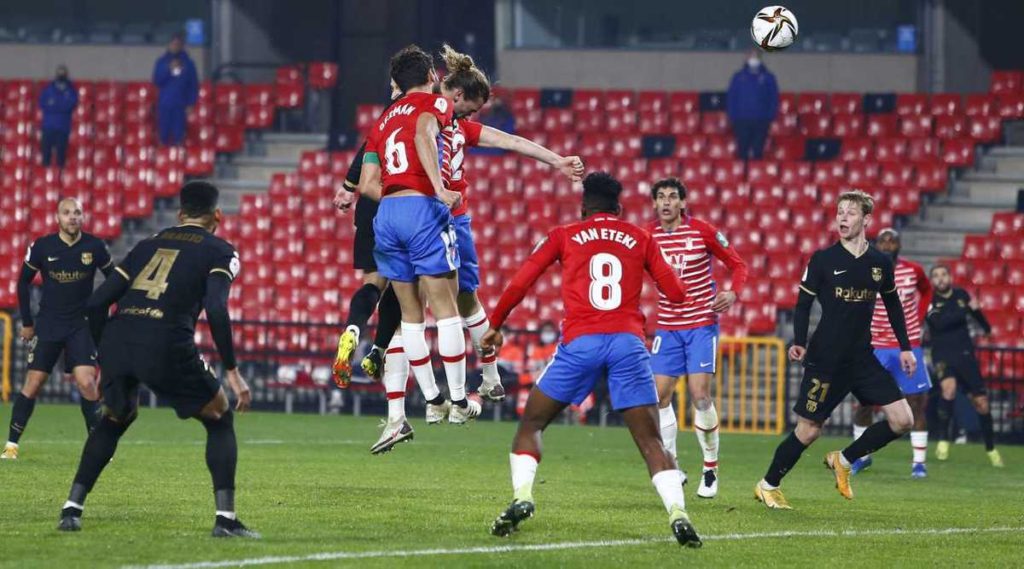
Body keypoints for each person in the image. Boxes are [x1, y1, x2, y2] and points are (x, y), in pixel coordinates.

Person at [334, 46, 583, 453]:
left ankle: (418, 404)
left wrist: (357, 191)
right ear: (441, 84)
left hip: (386, 211)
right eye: (467, 108)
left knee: (405, 314)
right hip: (435, 213)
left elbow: (366, 175)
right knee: (453, 303)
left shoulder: (387, 115)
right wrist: (433, 190)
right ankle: (459, 395)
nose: (467, 116)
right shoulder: (435, 108)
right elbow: (501, 140)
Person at [481, 172, 702, 547]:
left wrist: (496, 324)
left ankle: (522, 497)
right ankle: (678, 514)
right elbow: (677, 294)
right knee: (651, 442)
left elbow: (521, 282)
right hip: (628, 345)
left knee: (531, 424)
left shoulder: (564, 234)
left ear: (584, 207)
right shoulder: (641, 236)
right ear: (619, 208)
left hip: (580, 344)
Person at [56, 181, 257, 538]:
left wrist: (105, 354)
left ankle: (72, 508)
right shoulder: (220, 251)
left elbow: (96, 303)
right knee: (219, 417)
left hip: (119, 338)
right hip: (166, 342)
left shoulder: (146, 245)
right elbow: (215, 307)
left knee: (115, 418)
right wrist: (233, 371)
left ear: (180, 214)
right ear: (218, 216)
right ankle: (226, 520)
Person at [754, 190, 916, 510]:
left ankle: (844, 459)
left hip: (862, 358)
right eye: (839, 212)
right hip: (826, 359)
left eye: (850, 212)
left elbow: (894, 306)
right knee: (809, 430)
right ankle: (768, 485)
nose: (842, 217)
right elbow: (803, 304)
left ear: (866, 220)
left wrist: (906, 348)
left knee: (903, 419)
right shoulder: (823, 259)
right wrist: (799, 340)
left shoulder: (879, 263)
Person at [648, 177, 747, 499]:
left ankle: (710, 467)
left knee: (699, 395)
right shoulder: (647, 236)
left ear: (682, 203)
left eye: (672, 197)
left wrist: (733, 292)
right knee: (658, 397)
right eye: (660, 197)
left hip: (701, 325)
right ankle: (673, 465)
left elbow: (737, 264)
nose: (666, 202)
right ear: (654, 204)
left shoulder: (702, 231)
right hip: (667, 326)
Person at [2, 199, 112, 461]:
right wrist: (27, 323)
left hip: (80, 325)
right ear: (57, 217)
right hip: (49, 323)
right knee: (34, 383)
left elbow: (114, 281)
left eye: (77, 213)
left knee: (87, 383)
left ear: (82, 217)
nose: (73, 217)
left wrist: (103, 310)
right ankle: (11, 445)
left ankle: (98, 449)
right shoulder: (42, 246)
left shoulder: (95, 246)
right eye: (67, 213)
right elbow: (22, 283)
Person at [849, 228, 933, 478]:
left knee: (916, 403)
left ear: (899, 245)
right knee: (864, 403)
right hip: (874, 345)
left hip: (907, 345)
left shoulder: (913, 270)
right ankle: (861, 456)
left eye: (892, 240)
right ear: (877, 244)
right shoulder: (865, 268)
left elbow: (927, 290)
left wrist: (918, 318)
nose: (887, 244)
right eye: (883, 240)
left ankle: (919, 462)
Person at [926, 265, 1003, 467]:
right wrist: (964, 310)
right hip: (942, 353)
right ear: (932, 281)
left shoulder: (962, 294)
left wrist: (986, 328)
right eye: (936, 276)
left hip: (965, 354)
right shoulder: (930, 300)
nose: (940, 279)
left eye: (943, 275)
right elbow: (939, 324)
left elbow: (977, 315)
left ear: (950, 277)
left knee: (982, 403)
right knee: (948, 389)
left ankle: (991, 448)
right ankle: (943, 440)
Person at [726, 50, 778, 161]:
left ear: (760, 58)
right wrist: (732, 116)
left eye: (755, 56)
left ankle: (756, 176)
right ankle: (741, 176)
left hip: (761, 120)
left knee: (758, 151)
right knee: (742, 151)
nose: (753, 59)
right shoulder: (738, 77)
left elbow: (773, 98)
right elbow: (731, 98)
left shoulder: (768, 77)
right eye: (750, 56)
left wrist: (770, 117)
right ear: (746, 58)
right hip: (741, 120)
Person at [152, 33, 199, 146]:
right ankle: (164, 159)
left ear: (182, 46)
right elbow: (157, 81)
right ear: (168, 45)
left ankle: (178, 159)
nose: (175, 46)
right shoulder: (161, 62)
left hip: (180, 104)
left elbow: (193, 85)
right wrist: (169, 68)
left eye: (178, 44)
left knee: (179, 135)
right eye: (173, 44)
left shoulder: (189, 63)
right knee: (164, 134)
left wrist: (191, 103)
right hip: (165, 104)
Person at [39, 65, 78, 168]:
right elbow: (43, 104)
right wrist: (60, 105)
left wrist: (54, 104)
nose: (61, 75)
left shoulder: (71, 91)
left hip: (63, 128)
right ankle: (46, 178)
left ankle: (59, 179)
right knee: (46, 155)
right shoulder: (48, 90)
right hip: (48, 127)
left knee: (61, 157)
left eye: (63, 73)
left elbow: (70, 105)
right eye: (59, 72)